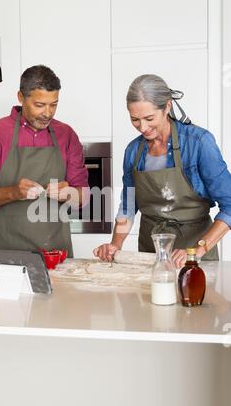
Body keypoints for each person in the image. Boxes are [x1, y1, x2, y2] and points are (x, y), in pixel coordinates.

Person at [94, 74, 231, 268]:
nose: (143, 128)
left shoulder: (198, 143)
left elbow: (230, 205)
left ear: (167, 106)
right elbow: (128, 205)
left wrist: (197, 250)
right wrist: (116, 244)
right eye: (135, 119)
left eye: (149, 118)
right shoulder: (134, 151)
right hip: (151, 253)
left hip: (195, 254)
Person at [0, 65, 88, 257]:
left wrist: (68, 193)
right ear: (21, 97)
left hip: (55, 254)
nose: (48, 113)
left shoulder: (67, 135)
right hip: (4, 253)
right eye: (39, 105)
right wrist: (14, 192)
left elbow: (84, 195)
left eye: (54, 104)